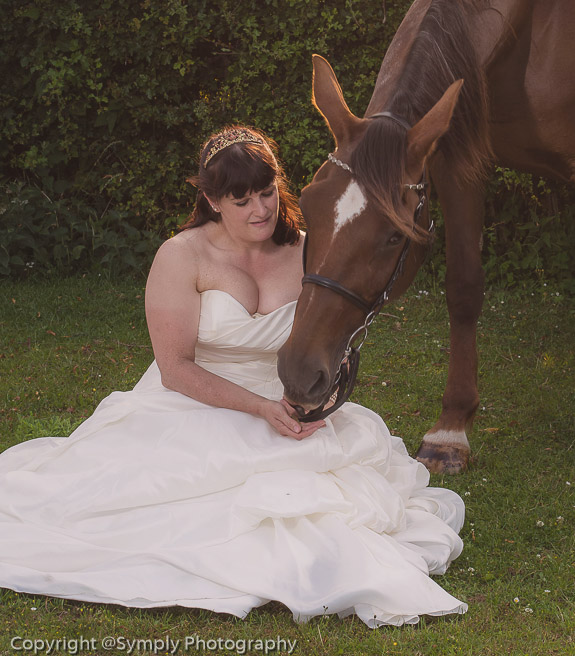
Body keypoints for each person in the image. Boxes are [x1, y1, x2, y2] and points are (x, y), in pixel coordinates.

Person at [0, 126, 467, 627]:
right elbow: (175, 368)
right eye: (241, 200)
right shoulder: (181, 256)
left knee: (325, 516)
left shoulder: (312, 249)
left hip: (287, 399)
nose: (260, 210)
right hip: (194, 403)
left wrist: (319, 400)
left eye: (266, 193)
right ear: (211, 199)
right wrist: (259, 408)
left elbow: (337, 336)